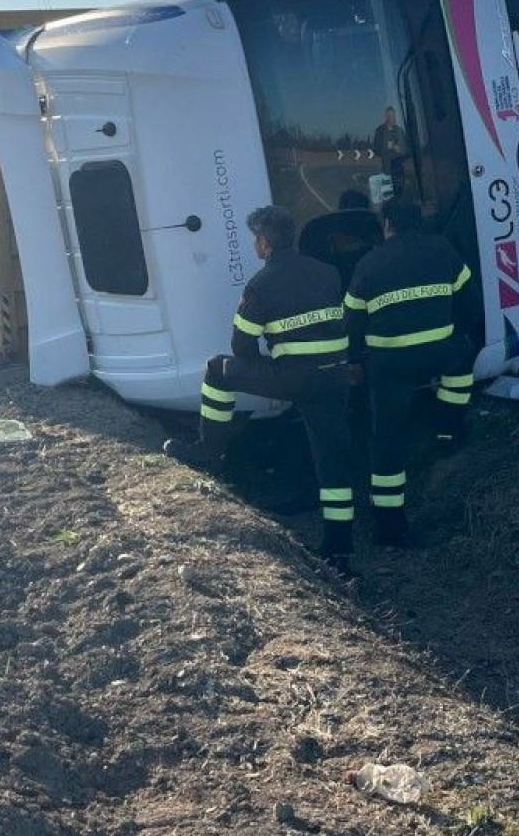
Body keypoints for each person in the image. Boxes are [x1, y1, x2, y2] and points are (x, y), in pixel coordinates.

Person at [163, 206, 359, 566]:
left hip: (294, 377)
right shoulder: (328, 272)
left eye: (256, 239)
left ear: (264, 243)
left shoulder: (260, 285)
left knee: (217, 369)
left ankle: (209, 451)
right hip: (335, 377)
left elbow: (242, 346)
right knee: (333, 464)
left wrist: (266, 373)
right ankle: (340, 549)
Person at [344, 199, 475, 546]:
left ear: (387, 224)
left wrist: (354, 360)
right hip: (440, 353)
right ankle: (449, 430)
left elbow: (351, 322)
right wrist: (458, 333)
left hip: (390, 365)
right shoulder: (443, 249)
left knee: (386, 441)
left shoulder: (368, 264)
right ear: (419, 222)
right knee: (461, 365)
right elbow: (469, 301)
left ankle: (390, 525)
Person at [371, 107, 408, 189]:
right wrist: (386, 146)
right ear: (386, 117)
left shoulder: (399, 131)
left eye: (394, 116)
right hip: (384, 170)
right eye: (390, 116)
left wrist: (398, 149)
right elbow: (376, 149)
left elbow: (405, 150)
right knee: (386, 192)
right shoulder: (380, 131)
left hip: (398, 171)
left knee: (398, 191)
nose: (393, 118)